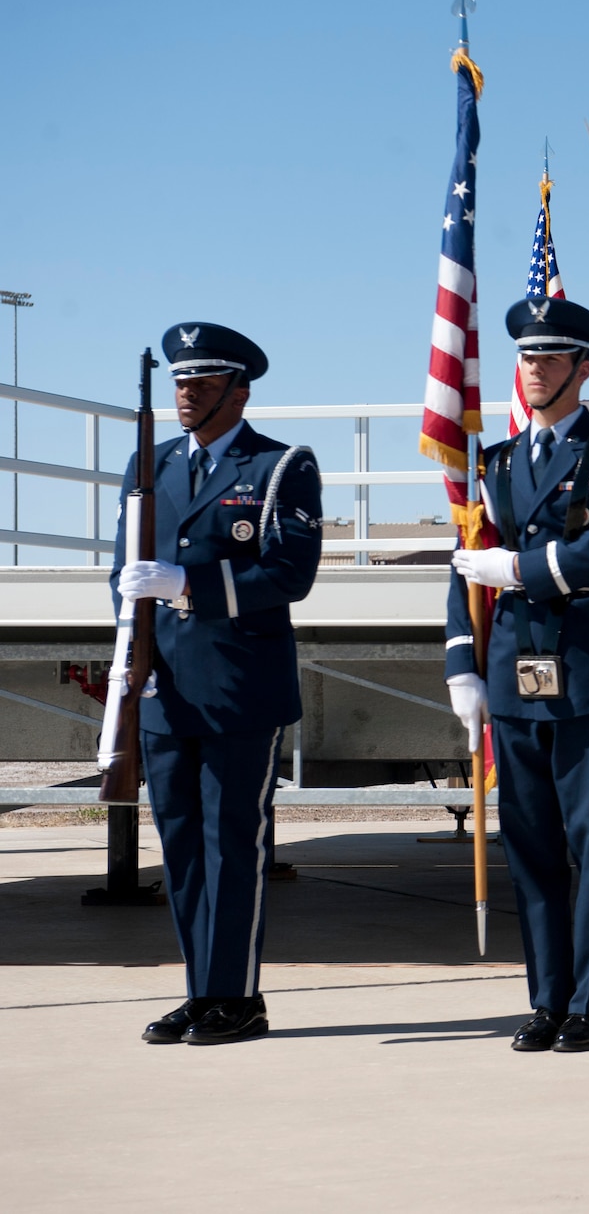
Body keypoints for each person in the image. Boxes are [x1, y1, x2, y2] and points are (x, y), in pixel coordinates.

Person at [445, 296, 589, 1053]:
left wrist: (522, 568)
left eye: (551, 357)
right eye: (527, 357)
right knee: (529, 847)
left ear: (583, 367)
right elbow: (466, 564)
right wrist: (460, 663)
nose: (535, 369)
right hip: (512, 670)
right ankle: (546, 998)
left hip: (587, 668)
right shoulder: (495, 463)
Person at [118, 324, 323, 1045]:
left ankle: (238, 995)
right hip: (164, 688)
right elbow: (127, 573)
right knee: (180, 847)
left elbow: (289, 573)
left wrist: (190, 585)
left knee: (231, 841)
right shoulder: (152, 465)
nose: (186, 393)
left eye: (203, 383)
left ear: (239, 391)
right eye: (180, 381)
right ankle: (201, 989)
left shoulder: (279, 467)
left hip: (240, 687)